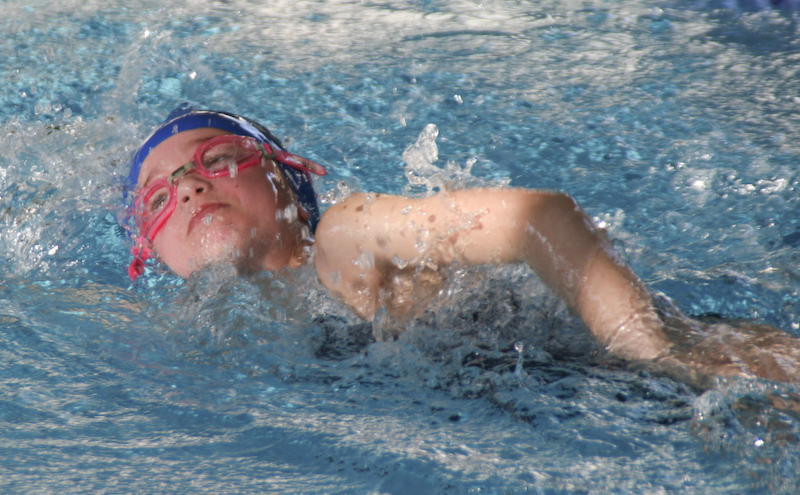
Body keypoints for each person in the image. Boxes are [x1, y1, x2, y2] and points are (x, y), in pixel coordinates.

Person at [124, 105, 800, 386]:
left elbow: (538, 218)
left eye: (217, 158)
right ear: (151, 256)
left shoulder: (342, 239)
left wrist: (655, 354)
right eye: (157, 199)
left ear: (291, 181)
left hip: (674, 364)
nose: (188, 188)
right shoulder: (207, 353)